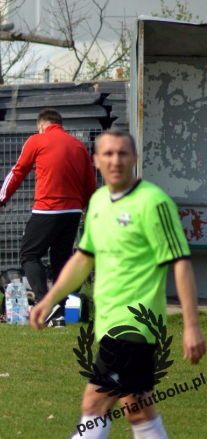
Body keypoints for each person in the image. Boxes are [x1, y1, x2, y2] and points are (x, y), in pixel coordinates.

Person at [30, 130, 205, 439]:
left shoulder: (153, 202)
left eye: (123, 153)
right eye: (108, 154)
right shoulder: (98, 202)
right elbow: (83, 259)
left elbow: (180, 261)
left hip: (134, 325)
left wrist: (192, 325)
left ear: (135, 158)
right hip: (109, 322)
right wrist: (49, 300)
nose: (116, 160)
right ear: (95, 161)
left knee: (94, 404)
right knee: (136, 408)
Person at [0, 108, 96, 327]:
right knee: (61, 259)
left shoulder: (37, 140)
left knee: (29, 254)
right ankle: (60, 313)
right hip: (72, 212)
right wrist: (87, 208)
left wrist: (0, 201)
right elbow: (90, 183)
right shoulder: (79, 146)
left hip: (47, 208)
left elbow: (18, 172)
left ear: (42, 125)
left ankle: (46, 304)